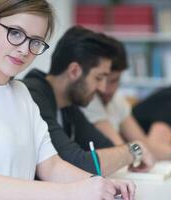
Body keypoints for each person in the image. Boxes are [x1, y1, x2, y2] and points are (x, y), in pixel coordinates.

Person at [0, 1, 136, 200]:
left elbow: (51, 166)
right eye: (15, 33)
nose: (25, 50)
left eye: (35, 41)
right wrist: (75, 192)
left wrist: (100, 184)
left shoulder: (22, 92)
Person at [23, 26, 154, 177]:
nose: (103, 88)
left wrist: (126, 152)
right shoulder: (33, 97)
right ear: (74, 71)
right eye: (99, 78)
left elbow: (107, 147)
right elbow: (78, 164)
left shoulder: (67, 105)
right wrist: (135, 149)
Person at [80, 36, 171, 161]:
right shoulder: (89, 100)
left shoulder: (117, 101)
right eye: (99, 79)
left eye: (114, 81)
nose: (105, 88)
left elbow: (142, 142)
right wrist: (140, 150)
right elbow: (121, 147)